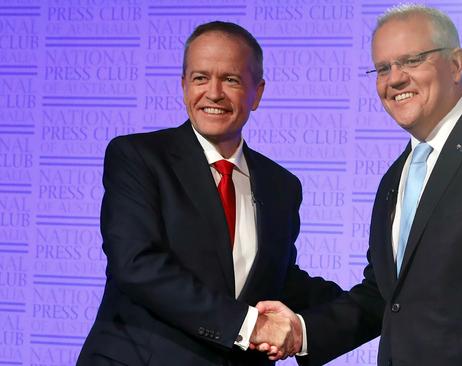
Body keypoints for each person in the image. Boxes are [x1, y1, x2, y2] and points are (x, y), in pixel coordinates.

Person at [258, 4, 462, 365]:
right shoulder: (394, 178)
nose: (394, 78)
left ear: (456, 65)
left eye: (412, 60)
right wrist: (304, 332)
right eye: (383, 68)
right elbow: (385, 297)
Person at [77, 21, 341, 366]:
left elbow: (276, 281)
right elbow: (136, 265)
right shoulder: (138, 157)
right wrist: (252, 326)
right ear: (184, 85)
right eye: (200, 78)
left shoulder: (281, 185)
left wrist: (382, 304)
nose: (213, 93)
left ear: (257, 93)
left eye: (230, 79)